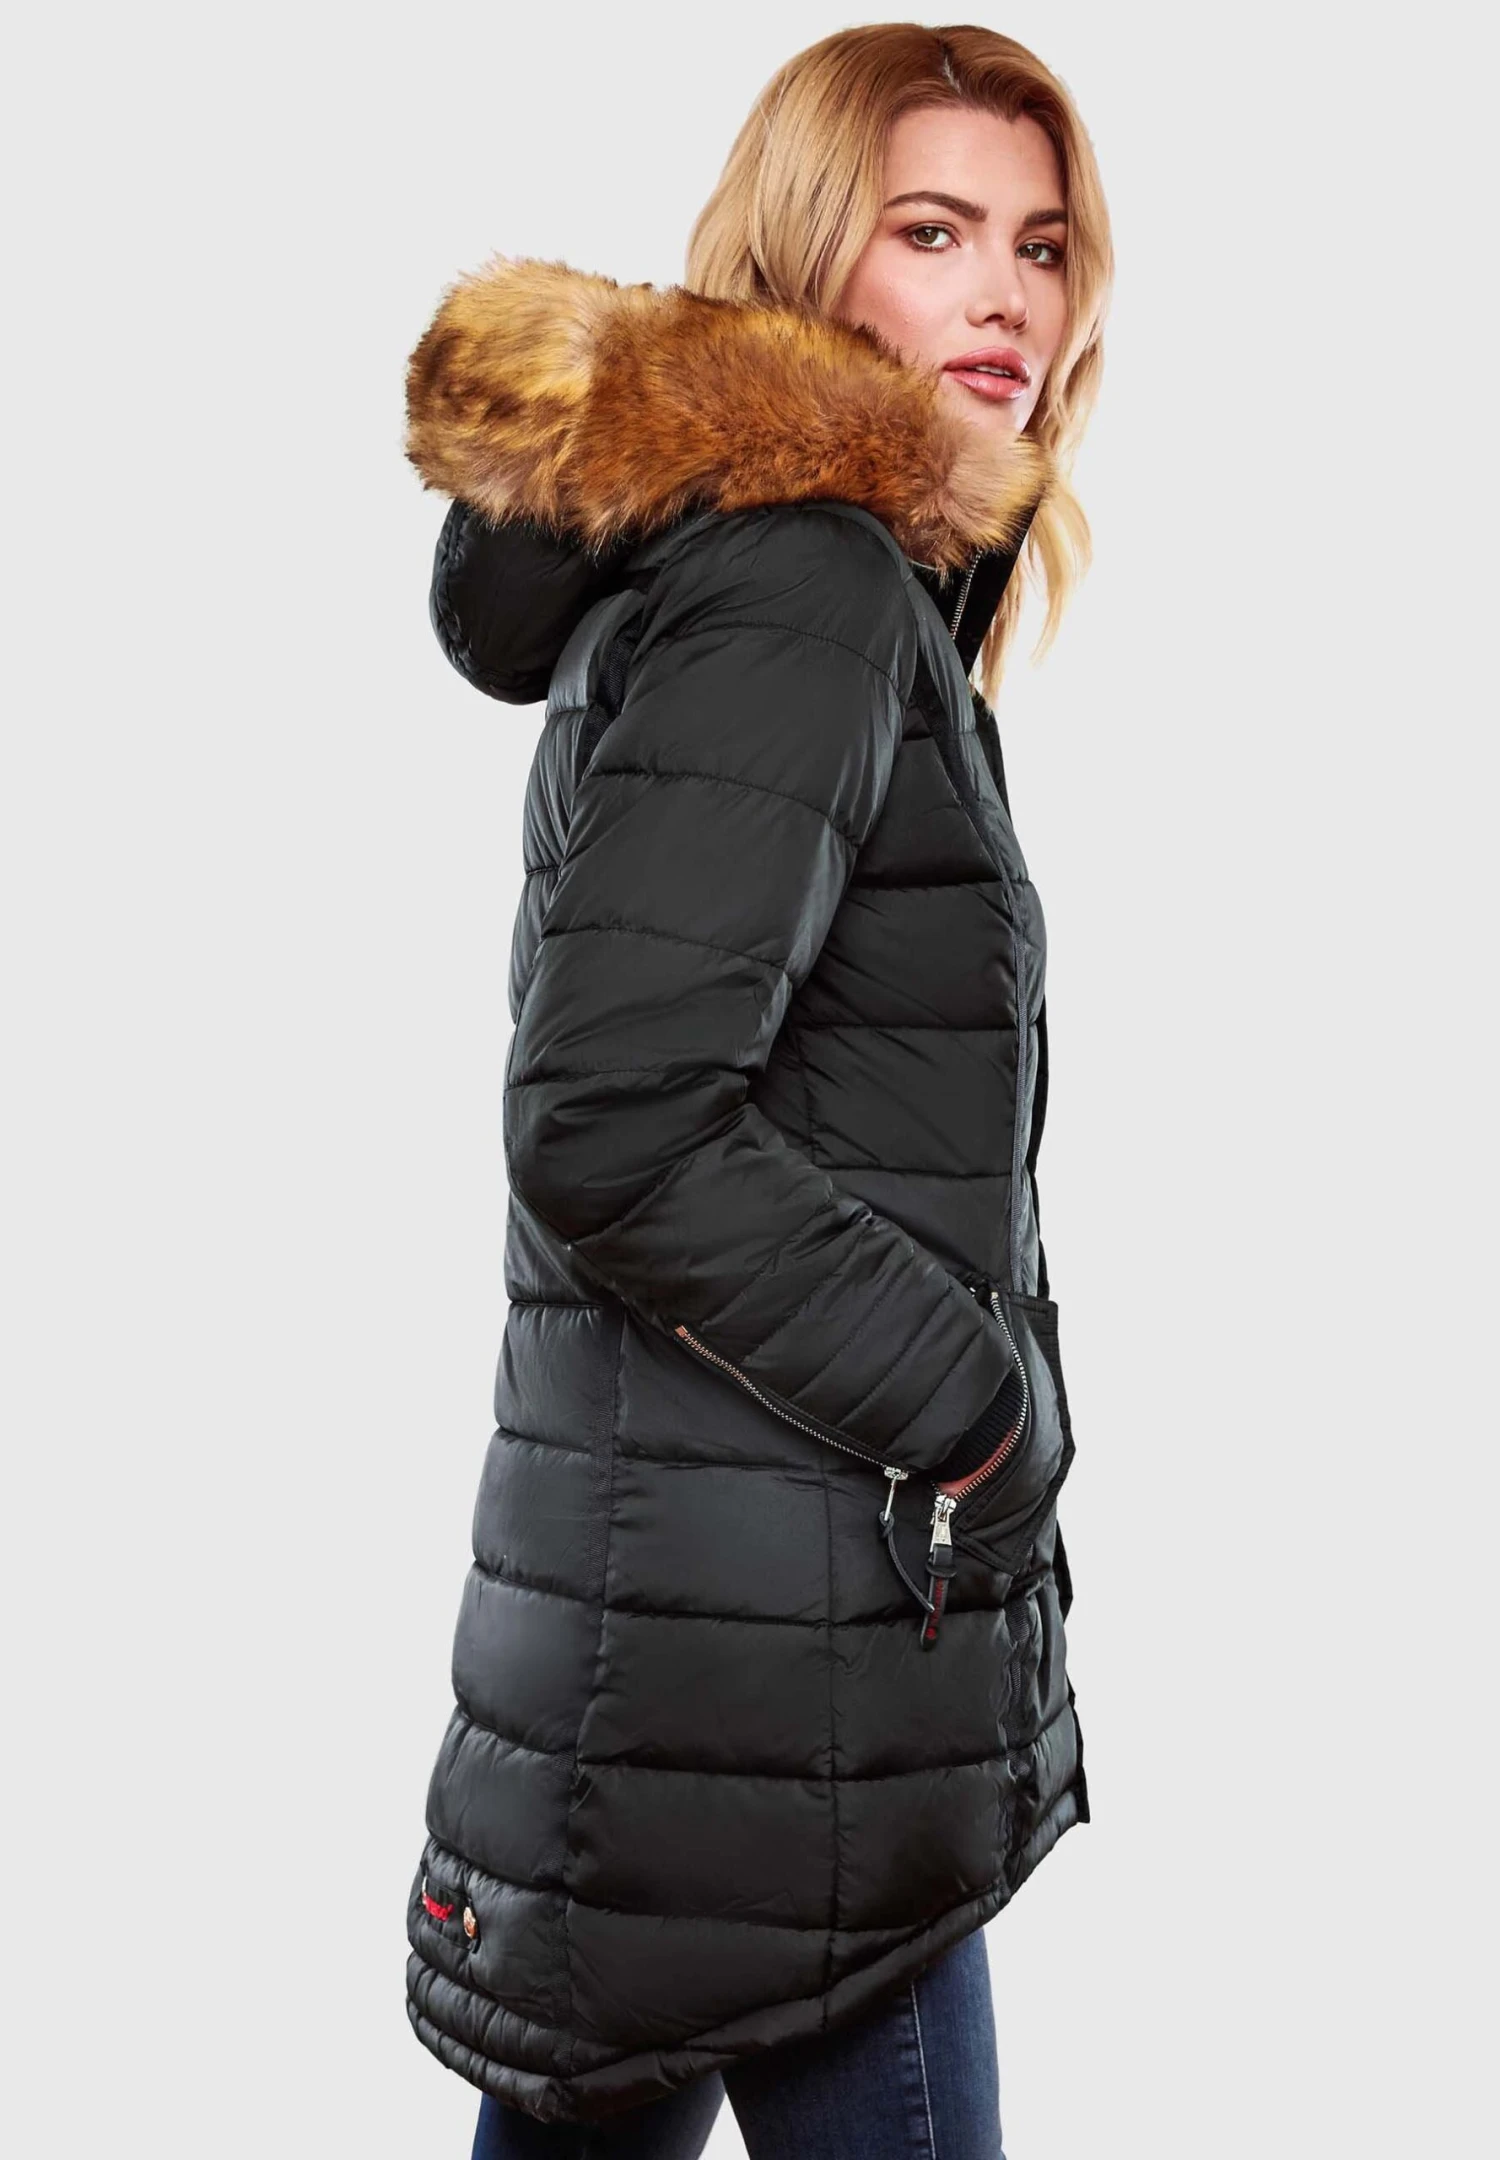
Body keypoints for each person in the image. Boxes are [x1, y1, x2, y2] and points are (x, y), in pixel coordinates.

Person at [400, 21, 1109, 2155]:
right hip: (784, 1684)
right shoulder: (805, 576)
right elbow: (611, 1120)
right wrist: (976, 1411)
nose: (1006, 298)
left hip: (707, 1656)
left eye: (1043, 247)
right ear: (810, 255)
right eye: (935, 233)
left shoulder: (789, 572)